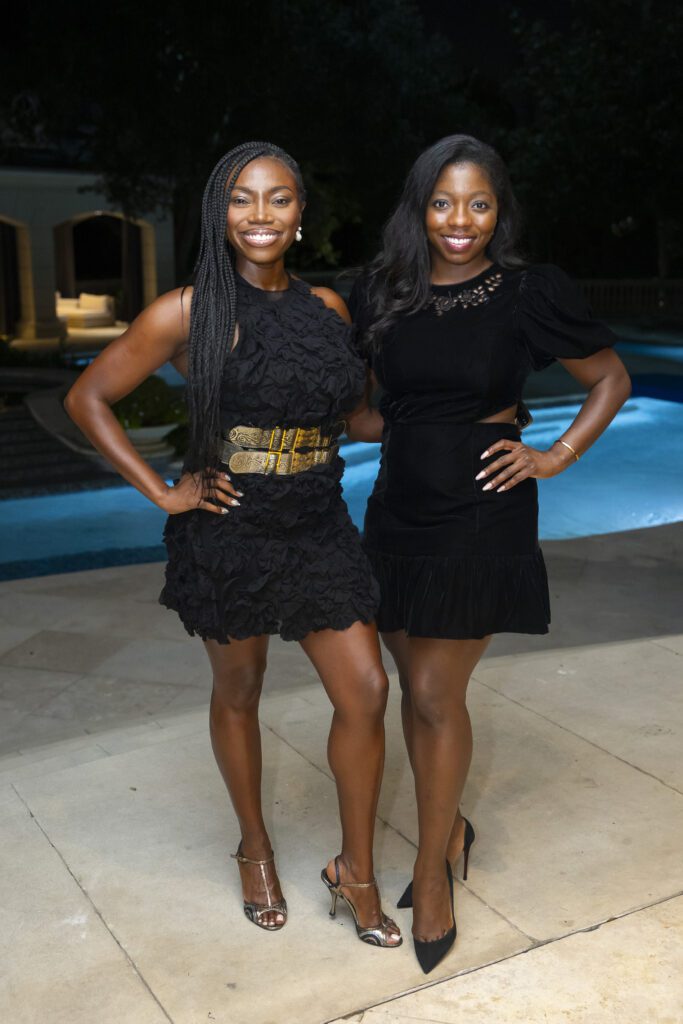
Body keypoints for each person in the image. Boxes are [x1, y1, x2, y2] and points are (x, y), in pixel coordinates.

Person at [65, 141, 401, 948]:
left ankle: (353, 869)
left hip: (319, 524)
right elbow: (89, 397)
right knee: (240, 691)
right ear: (220, 212)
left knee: (366, 690)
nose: (259, 215)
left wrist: (446, 418)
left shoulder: (328, 309)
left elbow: (356, 418)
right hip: (230, 528)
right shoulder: (186, 310)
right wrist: (162, 490)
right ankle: (254, 848)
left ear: (300, 214)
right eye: (242, 199)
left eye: (277, 199)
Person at [346, 134, 631, 972]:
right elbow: (367, 413)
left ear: (498, 210)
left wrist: (554, 453)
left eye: (478, 203)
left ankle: (432, 871)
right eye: (442, 202)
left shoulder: (526, 292)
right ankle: (451, 825)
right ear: (418, 208)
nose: (459, 221)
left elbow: (609, 377)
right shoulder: (381, 293)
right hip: (396, 512)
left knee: (435, 693)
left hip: (482, 515)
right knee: (410, 687)